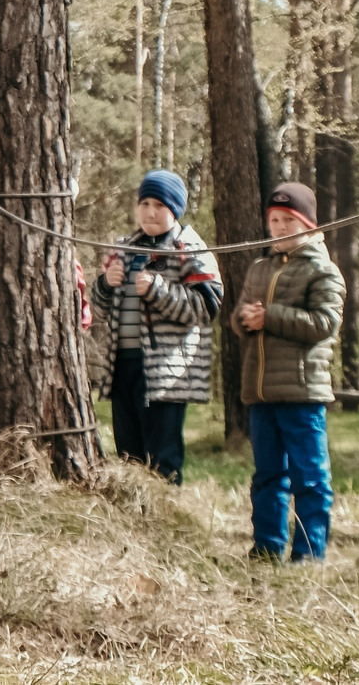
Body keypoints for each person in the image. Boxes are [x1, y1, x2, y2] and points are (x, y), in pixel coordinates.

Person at [234, 181, 345, 563]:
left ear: (308, 224)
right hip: (261, 393)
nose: (279, 228)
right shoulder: (260, 267)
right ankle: (266, 548)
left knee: (310, 480)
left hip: (302, 393)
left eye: (288, 220)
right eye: (274, 220)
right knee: (267, 477)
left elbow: (324, 323)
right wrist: (245, 319)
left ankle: (309, 555)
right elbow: (240, 317)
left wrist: (271, 317)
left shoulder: (323, 270)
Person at [90, 169, 220, 484]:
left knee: (162, 455)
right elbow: (97, 308)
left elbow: (206, 307)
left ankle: (164, 513)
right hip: (122, 366)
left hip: (167, 375)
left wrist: (157, 290)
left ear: (174, 209)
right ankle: (133, 517)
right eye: (145, 203)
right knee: (128, 452)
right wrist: (105, 285)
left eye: (160, 206)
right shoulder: (123, 248)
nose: (150, 212)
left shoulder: (189, 248)